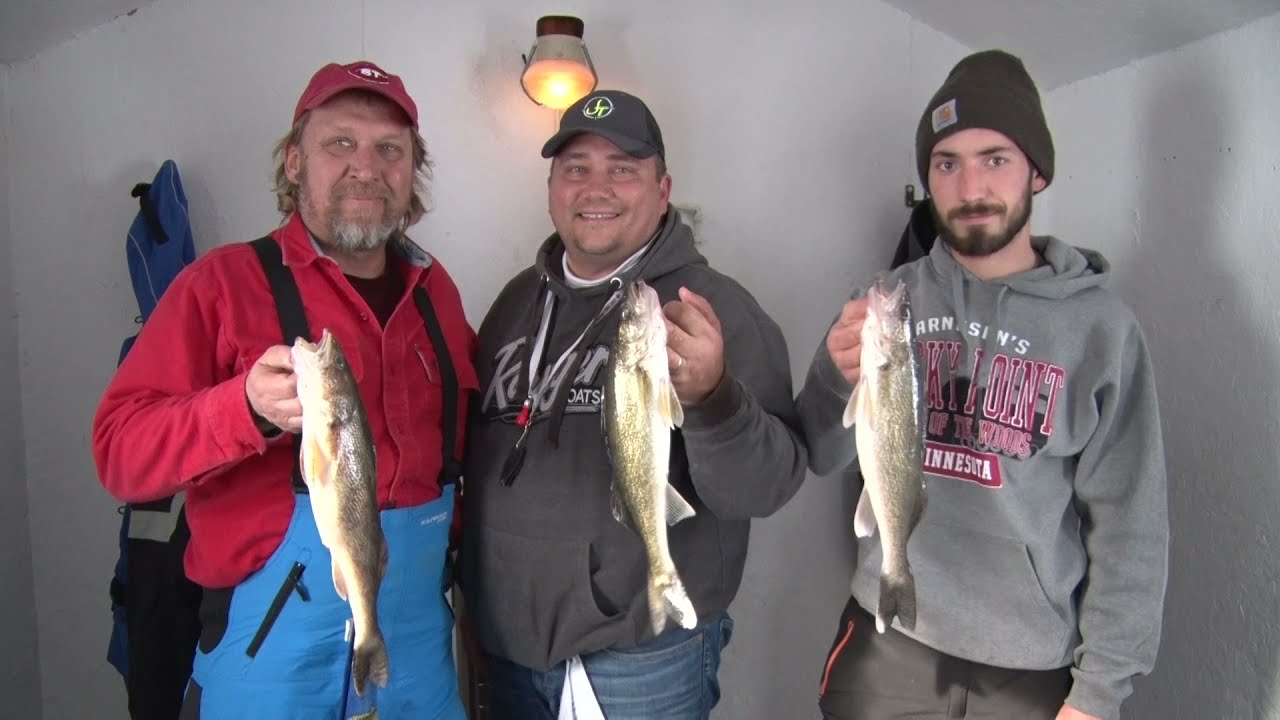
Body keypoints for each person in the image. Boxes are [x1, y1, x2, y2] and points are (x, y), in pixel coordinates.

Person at [92, 59, 477, 719]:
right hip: (270, 648)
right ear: (295, 161)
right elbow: (120, 453)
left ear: (413, 170)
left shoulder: (437, 293)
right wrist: (242, 409)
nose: (366, 165)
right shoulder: (220, 286)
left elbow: (472, 452)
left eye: (390, 148)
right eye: (340, 143)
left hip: (415, 644)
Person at [796, 49, 1169, 720]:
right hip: (888, 643)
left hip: (1031, 669)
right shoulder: (884, 300)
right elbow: (820, 453)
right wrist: (830, 373)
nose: (970, 187)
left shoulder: (1101, 329)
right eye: (947, 164)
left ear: (1037, 171)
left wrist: (1099, 694)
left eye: (994, 158)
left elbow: (1131, 528)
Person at [458, 89, 808, 719]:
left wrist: (713, 397)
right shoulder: (514, 304)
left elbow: (768, 488)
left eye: (623, 169)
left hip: (639, 656)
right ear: (551, 187)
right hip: (508, 648)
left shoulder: (712, 309)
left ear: (663, 189)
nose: (597, 189)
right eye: (576, 169)